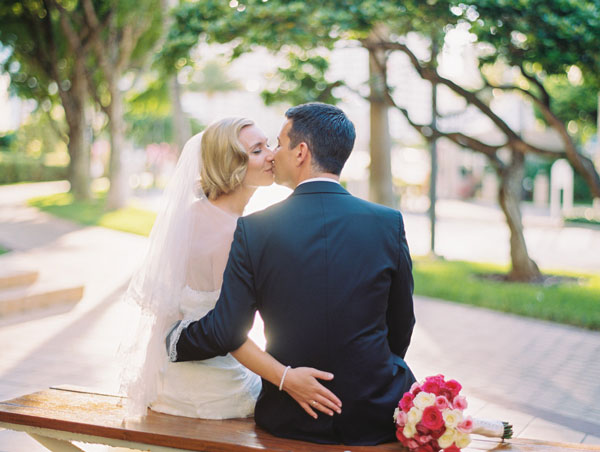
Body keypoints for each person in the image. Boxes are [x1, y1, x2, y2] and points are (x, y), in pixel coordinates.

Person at [168, 103, 416, 445]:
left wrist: (174, 343)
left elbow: (227, 327)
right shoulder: (388, 223)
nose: (273, 154)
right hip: (374, 411)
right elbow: (402, 321)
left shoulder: (255, 230)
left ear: (301, 152)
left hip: (289, 415)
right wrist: (367, 374)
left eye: (280, 144)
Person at [120, 117, 341, 420]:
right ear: (231, 164)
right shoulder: (233, 234)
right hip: (215, 393)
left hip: (169, 384)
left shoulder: (191, 216)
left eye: (269, 145)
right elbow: (227, 332)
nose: (272, 155)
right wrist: (287, 379)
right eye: (257, 150)